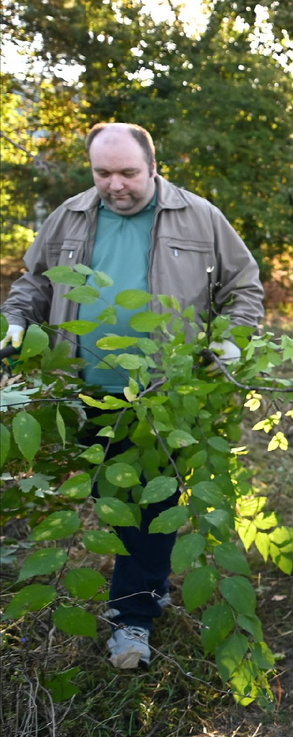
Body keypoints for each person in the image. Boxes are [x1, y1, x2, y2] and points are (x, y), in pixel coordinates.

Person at [0, 122, 264, 667]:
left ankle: (132, 623)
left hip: (164, 395)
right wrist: (16, 321)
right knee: (113, 502)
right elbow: (34, 283)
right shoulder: (70, 215)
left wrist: (233, 340)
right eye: (103, 173)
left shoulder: (200, 217)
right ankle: (150, 581)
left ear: (152, 166)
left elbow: (243, 287)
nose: (115, 185)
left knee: (150, 503)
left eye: (127, 173)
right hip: (82, 392)